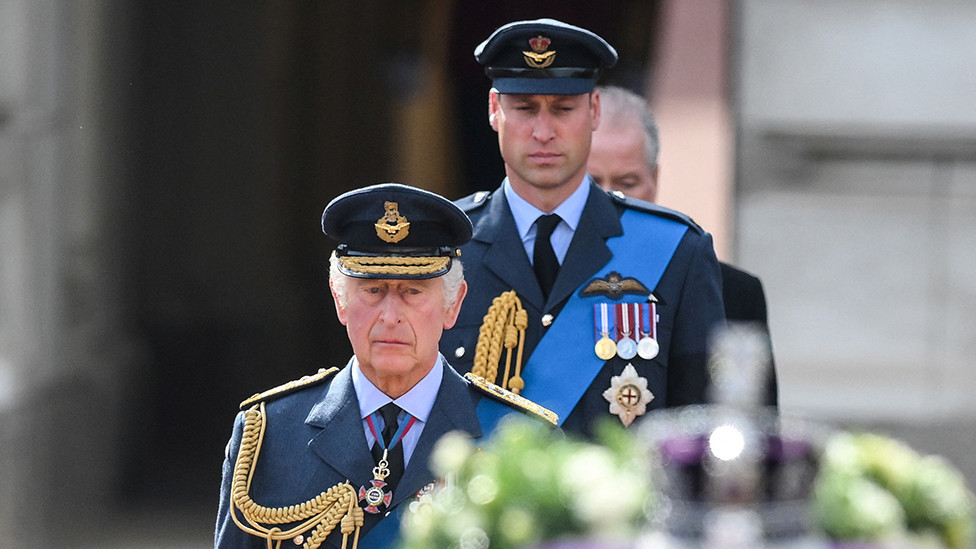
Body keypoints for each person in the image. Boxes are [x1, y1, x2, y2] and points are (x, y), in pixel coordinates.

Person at [214, 183, 555, 549]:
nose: (390, 316)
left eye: (413, 291)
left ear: (453, 304)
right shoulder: (269, 434)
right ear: (339, 300)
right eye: (372, 290)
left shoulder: (520, 436)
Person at [440, 19, 726, 437]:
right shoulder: (443, 250)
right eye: (524, 108)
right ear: (493, 111)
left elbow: (701, 424)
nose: (543, 131)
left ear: (593, 110)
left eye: (562, 108)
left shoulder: (675, 251)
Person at [587, 85, 779, 407]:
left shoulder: (734, 292)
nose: (612, 199)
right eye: (593, 184)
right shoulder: (541, 278)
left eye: (627, 183)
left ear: (655, 178)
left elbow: (755, 429)